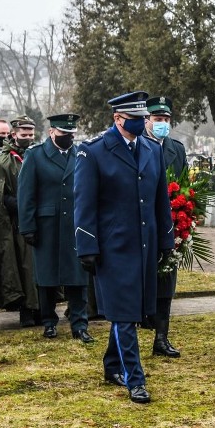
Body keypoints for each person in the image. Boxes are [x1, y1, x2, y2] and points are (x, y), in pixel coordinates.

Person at [74, 91, 174, 404]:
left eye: (144, 117)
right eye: (137, 117)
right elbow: (84, 203)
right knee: (123, 314)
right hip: (112, 246)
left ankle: (111, 366)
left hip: (144, 244)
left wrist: (166, 240)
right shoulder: (94, 152)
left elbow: (160, 199)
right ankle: (135, 379)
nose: (144, 122)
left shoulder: (150, 148)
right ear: (118, 119)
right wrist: (86, 246)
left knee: (128, 312)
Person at [17, 113, 93, 341]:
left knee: (78, 277)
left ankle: (79, 324)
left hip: (74, 226)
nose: (68, 138)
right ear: (52, 132)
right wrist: (27, 226)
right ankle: (49, 322)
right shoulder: (35, 155)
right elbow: (26, 194)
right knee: (47, 277)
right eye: (63, 134)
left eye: (71, 134)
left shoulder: (81, 155)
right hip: (46, 225)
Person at [0, 116, 39, 326]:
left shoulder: (38, 154)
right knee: (23, 265)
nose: (28, 138)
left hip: (40, 219)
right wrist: (23, 205)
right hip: (16, 222)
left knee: (38, 265)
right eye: (24, 134)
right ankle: (27, 310)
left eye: (31, 134)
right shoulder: (4, 160)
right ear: (14, 135)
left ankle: (43, 308)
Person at [144, 96, 183, 358]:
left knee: (167, 280)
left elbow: (185, 186)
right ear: (147, 121)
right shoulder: (139, 147)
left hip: (171, 224)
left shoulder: (176, 149)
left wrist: (186, 216)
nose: (163, 124)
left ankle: (161, 337)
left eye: (167, 120)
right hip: (145, 224)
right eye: (158, 119)